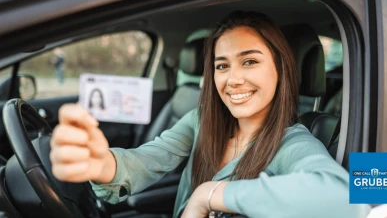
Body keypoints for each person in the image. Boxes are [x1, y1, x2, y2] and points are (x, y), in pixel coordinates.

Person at [49, 11, 370, 218]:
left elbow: (346, 200)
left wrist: (209, 194)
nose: (233, 79)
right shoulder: (203, 119)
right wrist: (102, 163)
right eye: (221, 65)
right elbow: (150, 158)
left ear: (281, 69)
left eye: (250, 61)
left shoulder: (292, 143)